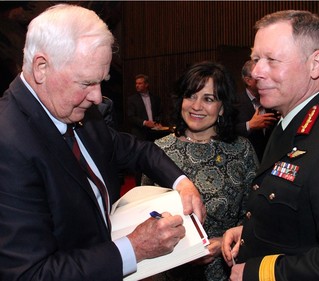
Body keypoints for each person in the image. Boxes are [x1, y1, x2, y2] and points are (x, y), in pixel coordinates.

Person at [0, 4, 206, 281]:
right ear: (41, 68)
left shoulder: (75, 108)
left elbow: (135, 149)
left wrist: (182, 182)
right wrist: (134, 249)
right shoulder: (8, 144)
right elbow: (31, 273)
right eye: (86, 83)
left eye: (102, 81)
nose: (98, 97)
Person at [222, 10, 319, 281]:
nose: (256, 71)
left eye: (271, 60)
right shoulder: (288, 123)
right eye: (256, 59)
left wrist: (258, 272)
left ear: (315, 65)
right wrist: (249, 233)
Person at [142, 61, 259, 281]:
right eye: (191, 96)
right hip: (169, 271)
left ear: (222, 107)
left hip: (226, 269)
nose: (196, 106)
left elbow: (256, 214)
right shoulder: (158, 152)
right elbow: (146, 217)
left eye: (208, 99)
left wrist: (224, 240)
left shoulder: (241, 150)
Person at [234, 60, 278, 161]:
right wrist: (250, 125)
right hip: (245, 161)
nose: (266, 81)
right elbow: (226, 131)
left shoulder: (272, 101)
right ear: (248, 80)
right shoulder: (234, 103)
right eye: (259, 77)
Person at [127, 74, 162, 141]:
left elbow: (159, 112)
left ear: (146, 84)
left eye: (140, 83)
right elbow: (131, 117)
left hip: (155, 132)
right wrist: (145, 123)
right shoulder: (132, 99)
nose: (137, 86)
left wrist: (158, 122)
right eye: (136, 83)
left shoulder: (155, 98)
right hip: (140, 133)